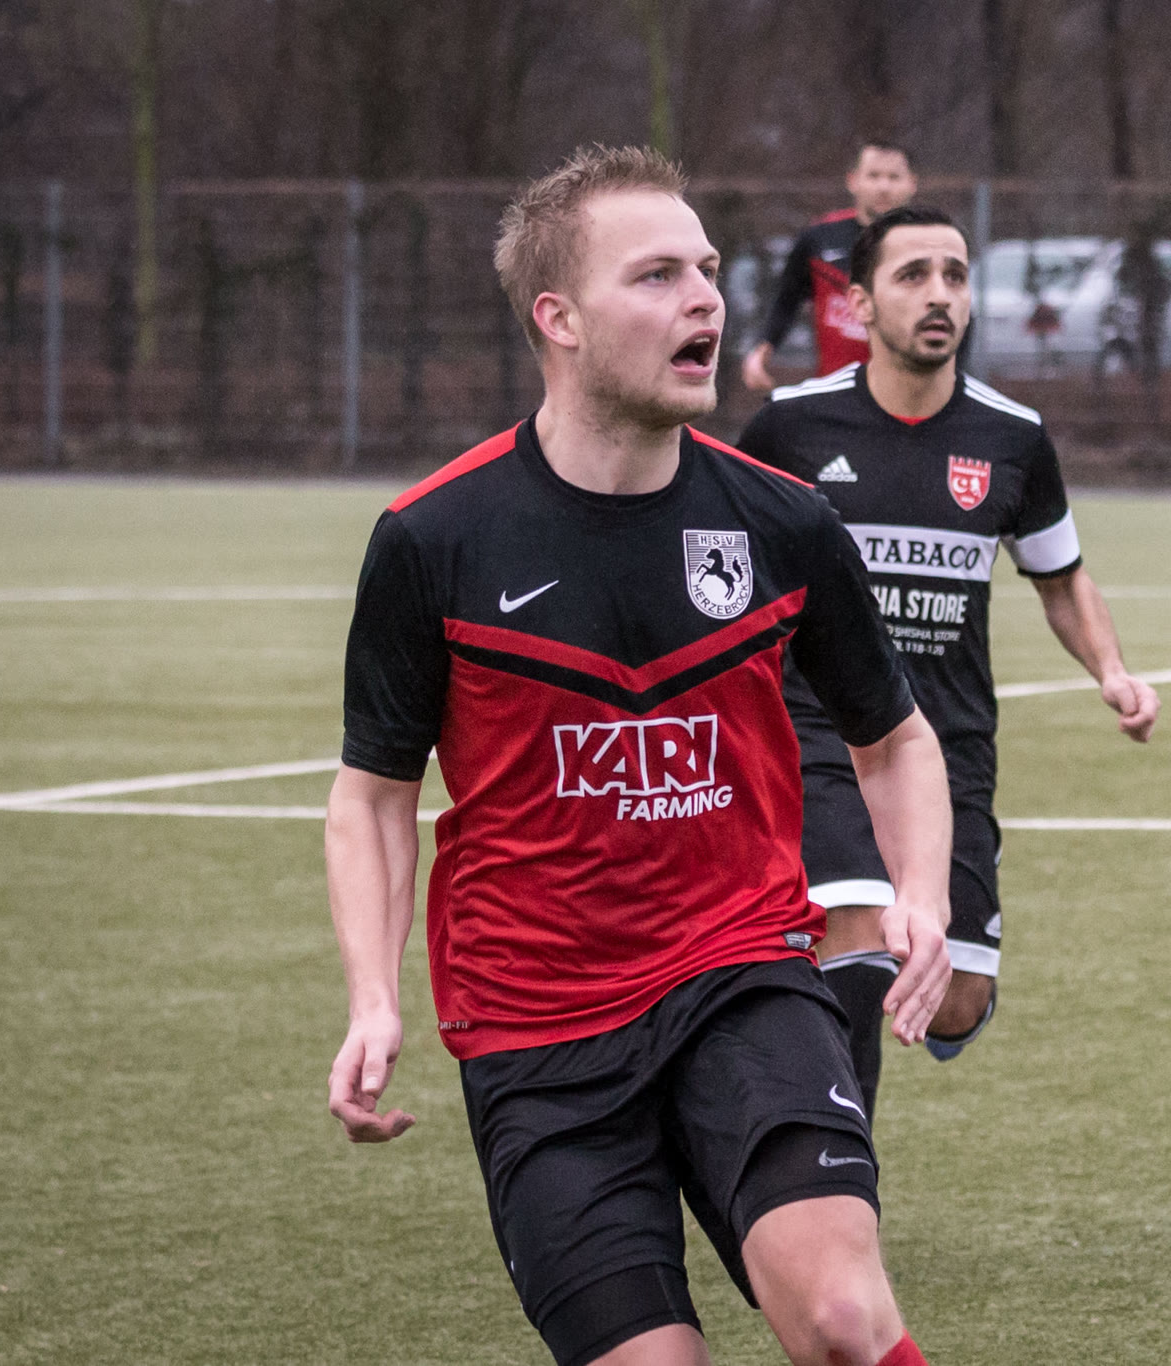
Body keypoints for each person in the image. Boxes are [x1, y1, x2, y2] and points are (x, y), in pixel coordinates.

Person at [324, 145, 952, 1366]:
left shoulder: (781, 522)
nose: (705, 298)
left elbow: (895, 738)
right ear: (556, 318)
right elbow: (374, 797)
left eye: (707, 269)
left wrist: (919, 896)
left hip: (740, 972)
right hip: (534, 1027)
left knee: (839, 1314)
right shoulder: (433, 538)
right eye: (657, 275)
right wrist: (372, 997)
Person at [734, 205, 1160, 1120]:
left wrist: (1112, 672)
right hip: (823, 738)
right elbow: (718, 561)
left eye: (955, 276)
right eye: (913, 275)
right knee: (858, 940)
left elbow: (1060, 576)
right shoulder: (789, 429)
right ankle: (836, 1166)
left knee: (953, 997)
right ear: (859, 303)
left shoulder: (1014, 438)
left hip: (951, 747)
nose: (940, 295)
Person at [739, 142, 918, 392]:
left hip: (908, 392)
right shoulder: (820, 237)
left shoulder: (930, 243)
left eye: (894, 177)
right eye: (874, 176)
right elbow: (787, 299)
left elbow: (956, 314)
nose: (883, 187)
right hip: (834, 388)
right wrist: (762, 349)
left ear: (912, 183)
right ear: (852, 181)